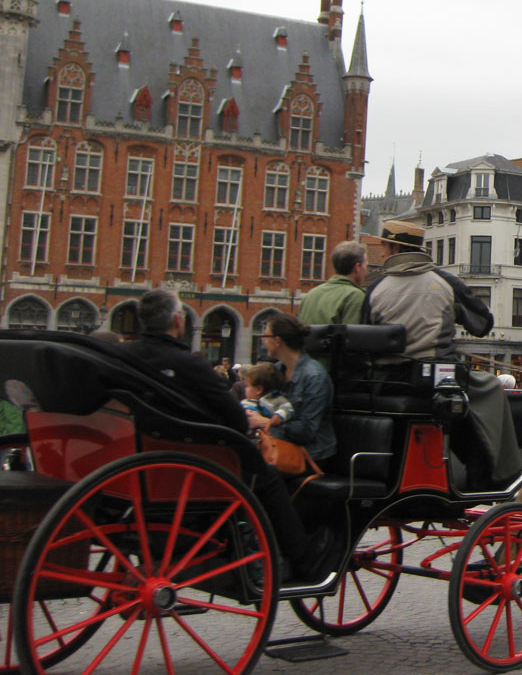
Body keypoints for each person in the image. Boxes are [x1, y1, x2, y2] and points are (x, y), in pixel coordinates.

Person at [120, 288, 331, 581]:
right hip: (184, 459)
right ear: (179, 322)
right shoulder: (188, 363)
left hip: (132, 458)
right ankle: (302, 555)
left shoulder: (122, 356)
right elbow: (233, 416)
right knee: (265, 477)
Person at [363, 219, 519, 485]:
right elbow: (482, 324)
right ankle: (497, 475)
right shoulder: (444, 282)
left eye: (385, 247)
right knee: (492, 390)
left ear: (396, 249)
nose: (381, 253)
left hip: (386, 384)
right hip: (436, 383)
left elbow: (365, 337)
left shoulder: (375, 289)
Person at [247, 313, 335, 463]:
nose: (262, 340)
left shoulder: (314, 376)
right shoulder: (276, 370)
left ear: (277, 341)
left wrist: (263, 422)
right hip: (278, 444)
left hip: (310, 453)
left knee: (254, 469)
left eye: (266, 335)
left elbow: (307, 430)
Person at [298, 239, 368, 326]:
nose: (366, 271)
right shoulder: (355, 296)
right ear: (357, 267)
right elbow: (352, 337)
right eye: (366, 265)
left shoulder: (310, 295)